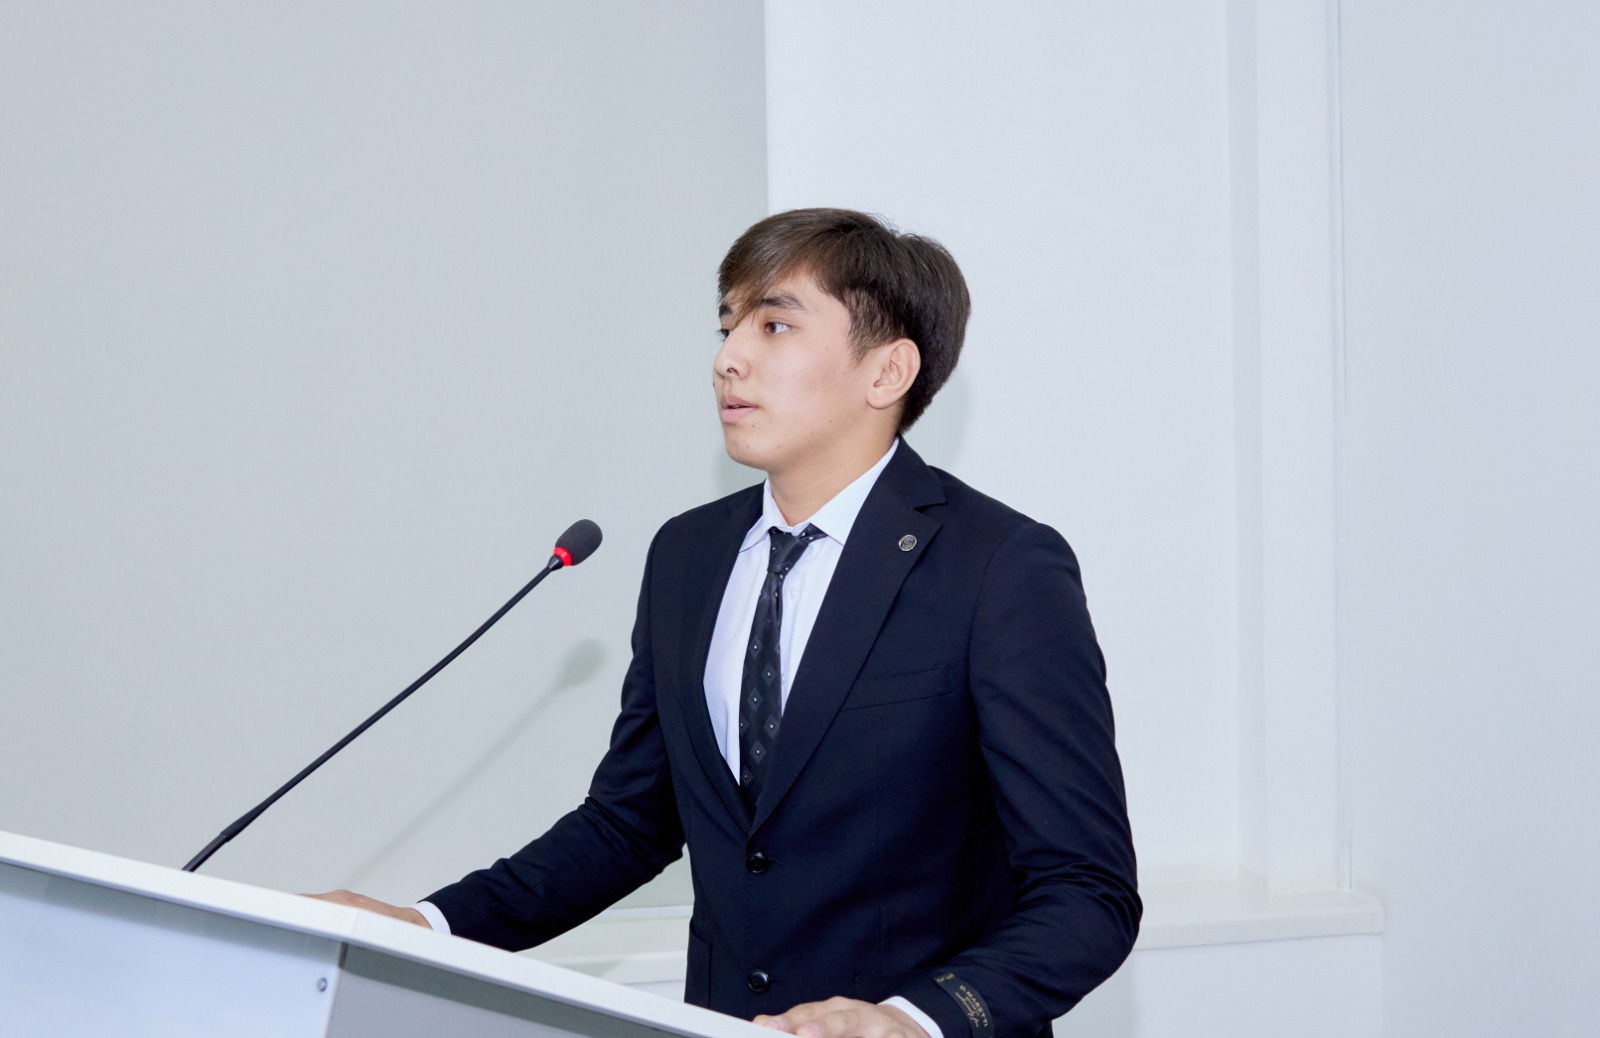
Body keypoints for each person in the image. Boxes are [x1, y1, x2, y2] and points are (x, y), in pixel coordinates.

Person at [313, 208, 1140, 1038]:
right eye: (726, 326)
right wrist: (430, 927)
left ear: (887, 371)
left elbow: (1087, 890)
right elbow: (629, 824)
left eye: (774, 326)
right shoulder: (689, 554)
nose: (727, 359)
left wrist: (912, 1019)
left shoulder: (999, 567)